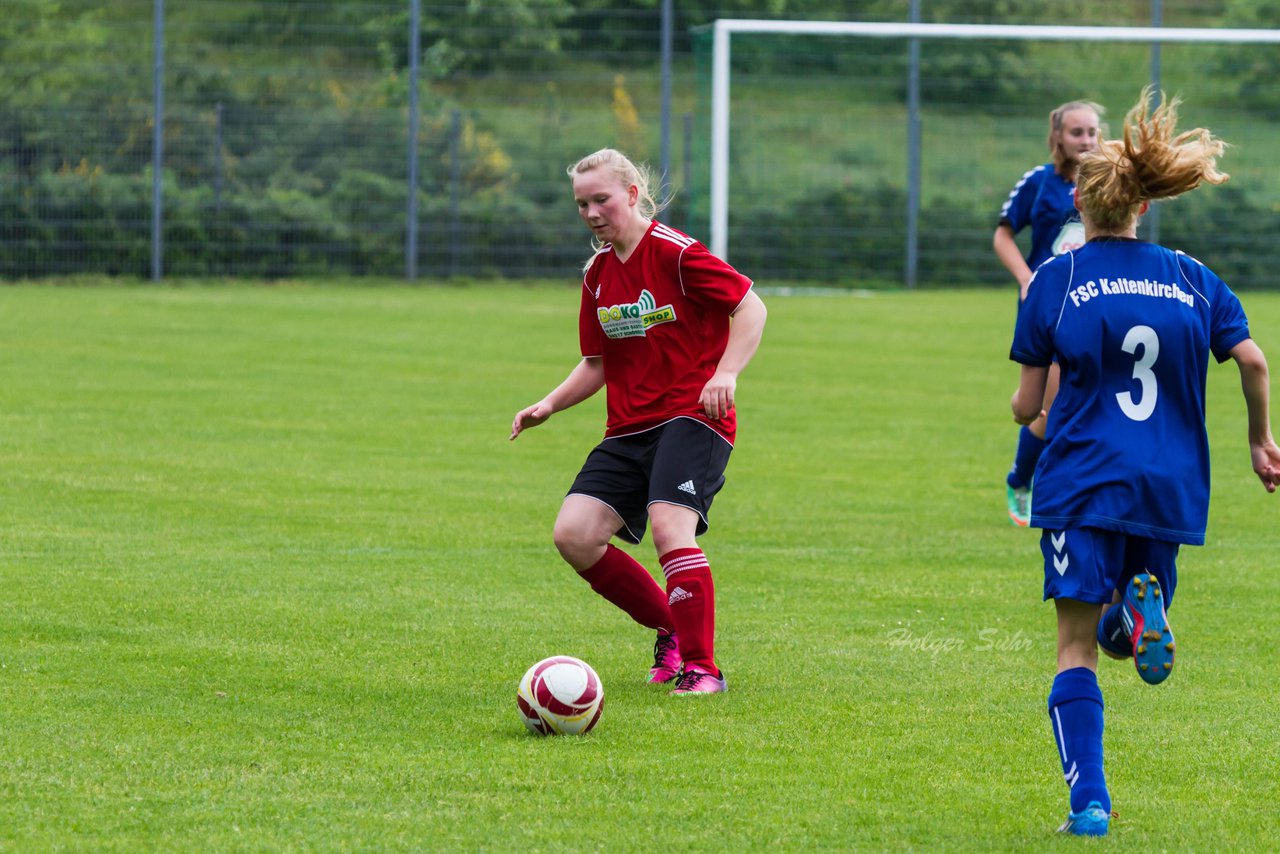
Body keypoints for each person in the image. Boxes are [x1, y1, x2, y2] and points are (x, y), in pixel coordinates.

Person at [1009, 89, 1280, 836]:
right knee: (1121, 628)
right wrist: (1260, 439)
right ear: (1144, 205)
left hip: (1081, 479)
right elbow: (1253, 361)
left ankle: (1089, 803)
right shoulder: (1193, 275)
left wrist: (1027, 400)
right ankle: (1136, 608)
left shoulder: (1056, 281)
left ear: (1077, 202)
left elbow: (1029, 405)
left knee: (1074, 647)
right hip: (1170, 483)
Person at [510, 148, 767, 696]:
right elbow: (597, 363)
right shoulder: (598, 274)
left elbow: (750, 306)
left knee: (671, 526)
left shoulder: (675, 253)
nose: (591, 213)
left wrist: (726, 373)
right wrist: (549, 405)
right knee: (574, 535)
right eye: (582, 204)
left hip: (694, 416)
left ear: (631, 193)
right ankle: (672, 629)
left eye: (601, 199)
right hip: (628, 427)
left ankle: (702, 670)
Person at [995, 100, 1103, 526]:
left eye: (1093, 132)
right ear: (1057, 135)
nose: (1086, 140)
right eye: (1077, 132)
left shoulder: (1107, 180)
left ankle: (1070, 487)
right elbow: (1003, 236)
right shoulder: (1039, 182)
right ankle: (1023, 480)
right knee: (1050, 405)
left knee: (1086, 404)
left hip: (1097, 303)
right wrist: (1026, 278)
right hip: (1049, 308)